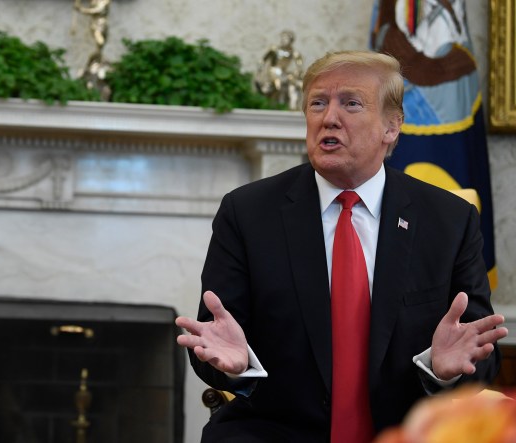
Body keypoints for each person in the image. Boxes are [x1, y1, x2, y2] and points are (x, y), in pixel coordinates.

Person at [175, 50, 508, 442]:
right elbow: (215, 344)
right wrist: (236, 367)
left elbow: (481, 353)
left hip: (402, 433)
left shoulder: (449, 220)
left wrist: (441, 368)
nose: (329, 117)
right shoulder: (248, 212)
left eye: (350, 103)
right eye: (318, 103)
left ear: (392, 126)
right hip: (273, 431)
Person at [253, 30, 304, 110]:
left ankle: (292, 106)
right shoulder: (274, 49)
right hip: (273, 71)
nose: (283, 40)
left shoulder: (294, 52)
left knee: (294, 83)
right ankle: (277, 104)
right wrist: (259, 70)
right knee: (279, 84)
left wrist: (298, 72)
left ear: (291, 41)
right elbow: (263, 60)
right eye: (282, 38)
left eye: (286, 38)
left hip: (283, 72)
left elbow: (299, 66)